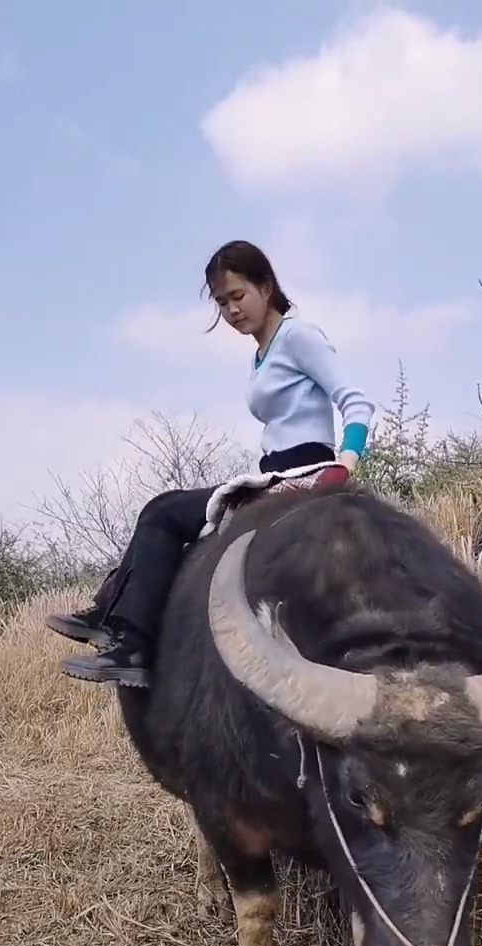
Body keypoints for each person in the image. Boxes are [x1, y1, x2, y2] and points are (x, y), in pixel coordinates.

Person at [46, 240, 375, 688]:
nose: (231, 311)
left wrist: (345, 464)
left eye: (238, 296)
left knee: (162, 513)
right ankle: (113, 612)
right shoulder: (263, 351)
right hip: (273, 470)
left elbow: (355, 403)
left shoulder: (299, 336)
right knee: (179, 533)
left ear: (266, 286)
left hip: (300, 476)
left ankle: (132, 642)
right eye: (222, 303)